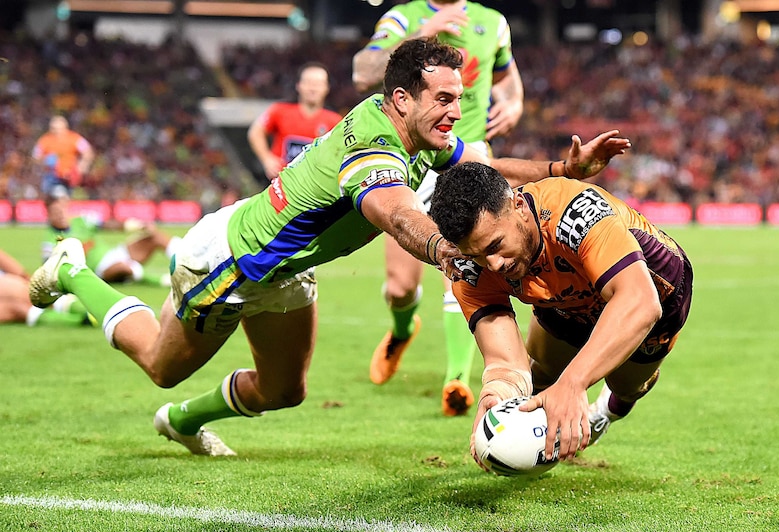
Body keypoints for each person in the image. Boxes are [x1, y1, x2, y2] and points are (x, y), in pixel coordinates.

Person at [29, 38, 629, 457]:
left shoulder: (415, 132)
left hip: (287, 271)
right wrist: (446, 250)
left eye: (457, 96)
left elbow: (483, 161)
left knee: (285, 391)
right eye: (443, 99)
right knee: (162, 366)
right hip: (235, 262)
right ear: (401, 100)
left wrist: (561, 166)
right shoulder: (372, 143)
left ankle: (181, 422)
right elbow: (395, 214)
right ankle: (73, 270)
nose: (455, 110)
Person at [428, 162, 692, 466]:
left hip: (653, 286)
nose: (494, 264)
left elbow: (640, 301)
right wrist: (496, 394)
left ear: (517, 206)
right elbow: (505, 362)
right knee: (541, 372)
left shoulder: (576, 211)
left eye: (496, 245)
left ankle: (607, 409)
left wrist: (574, 383)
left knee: (624, 385)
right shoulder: (471, 268)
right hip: (562, 297)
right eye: (476, 255)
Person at [354, 0, 525, 416]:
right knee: (400, 287)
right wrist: (424, 31)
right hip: (412, 157)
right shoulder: (403, 17)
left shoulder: (493, 23)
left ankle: (457, 379)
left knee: (465, 269)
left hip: (465, 160)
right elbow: (363, 72)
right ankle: (402, 328)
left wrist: (514, 104)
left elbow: (509, 81)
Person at [42, 191, 180, 286]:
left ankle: (185, 262)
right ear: (48, 214)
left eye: (62, 210)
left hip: (114, 253)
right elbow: (51, 270)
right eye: (56, 212)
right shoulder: (50, 241)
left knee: (155, 237)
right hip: (99, 270)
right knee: (123, 267)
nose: (61, 215)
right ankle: (161, 281)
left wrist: (139, 226)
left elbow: (109, 225)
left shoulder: (81, 220)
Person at [247, 62, 342, 181]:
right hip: (279, 183)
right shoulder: (280, 110)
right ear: (298, 85)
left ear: (327, 88)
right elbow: (256, 132)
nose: (313, 88)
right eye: (308, 83)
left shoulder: (335, 120)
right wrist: (267, 159)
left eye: (318, 84)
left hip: (313, 186)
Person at [0, 248, 92, 327]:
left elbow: (10, 265)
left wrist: (28, 280)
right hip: (12, 299)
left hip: (23, 288)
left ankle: (88, 313)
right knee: (19, 309)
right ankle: (83, 320)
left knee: (47, 295)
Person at [32, 115, 95, 197]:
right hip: (52, 177)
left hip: (70, 177)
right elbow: (35, 157)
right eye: (53, 128)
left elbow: (88, 152)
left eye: (58, 129)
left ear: (65, 127)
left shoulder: (74, 138)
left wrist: (81, 167)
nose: (56, 131)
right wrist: (45, 161)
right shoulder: (45, 140)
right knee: (59, 195)